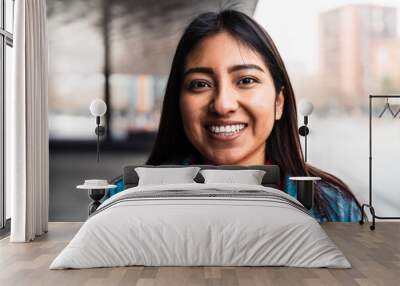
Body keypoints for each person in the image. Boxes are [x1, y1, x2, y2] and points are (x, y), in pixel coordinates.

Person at [109, 10, 362, 223]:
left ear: (278, 102)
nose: (222, 105)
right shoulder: (122, 201)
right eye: (199, 84)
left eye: (246, 80)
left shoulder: (334, 206)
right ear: (178, 102)